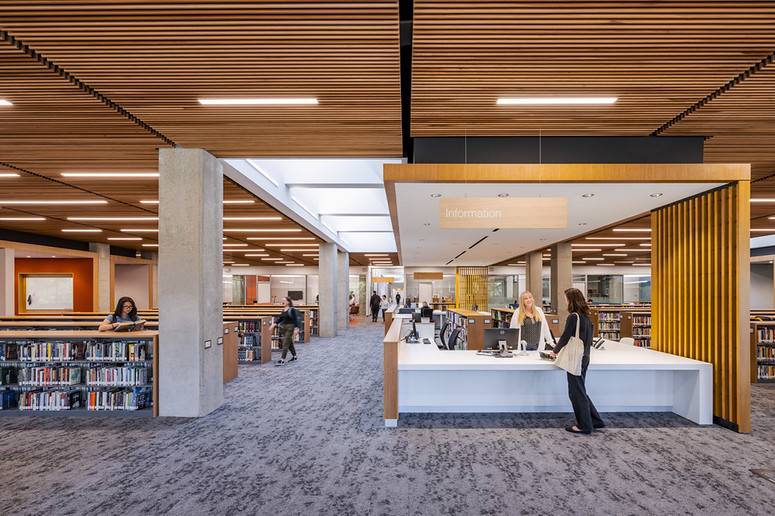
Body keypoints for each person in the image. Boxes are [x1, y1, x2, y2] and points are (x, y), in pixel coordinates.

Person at [550, 288, 605, 434]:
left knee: (575, 392)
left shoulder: (573, 317)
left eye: (566, 298)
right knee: (580, 390)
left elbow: (565, 337)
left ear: (571, 300)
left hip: (576, 358)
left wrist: (554, 351)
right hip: (585, 357)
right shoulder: (586, 316)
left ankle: (584, 426)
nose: (565, 301)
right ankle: (595, 420)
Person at [272, 296, 302, 366]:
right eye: (282, 301)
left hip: (290, 328)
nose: (282, 302)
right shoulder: (283, 310)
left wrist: (296, 328)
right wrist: (274, 324)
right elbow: (280, 319)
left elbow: (295, 320)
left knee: (285, 343)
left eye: (284, 301)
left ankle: (282, 359)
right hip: (284, 328)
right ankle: (295, 356)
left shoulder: (292, 310)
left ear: (288, 302)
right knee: (289, 343)